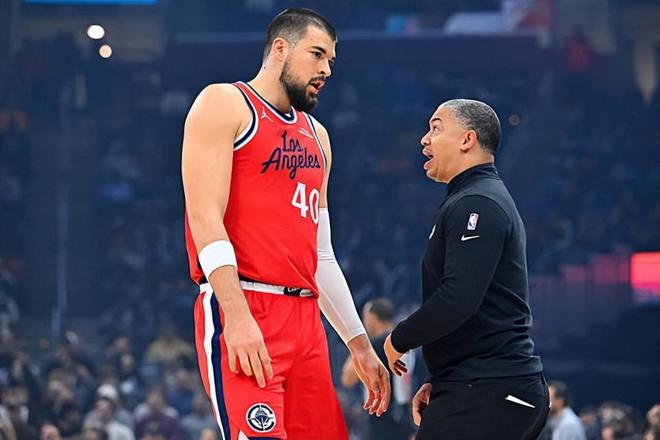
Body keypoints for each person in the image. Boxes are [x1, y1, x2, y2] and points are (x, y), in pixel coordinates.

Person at [181, 8, 389, 439]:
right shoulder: (224, 103)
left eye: (331, 60)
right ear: (281, 48)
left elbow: (321, 254)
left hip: (306, 320)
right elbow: (205, 218)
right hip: (247, 302)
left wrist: (358, 342)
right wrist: (237, 316)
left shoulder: (318, 136)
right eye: (317, 54)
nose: (326, 69)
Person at [383, 99, 548, 439]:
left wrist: (398, 339)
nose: (424, 139)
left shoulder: (478, 202)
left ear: (467, 139)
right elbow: (479, 307)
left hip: (491, 388)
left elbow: (458, 297)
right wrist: (441, 377)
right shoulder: (473, 197)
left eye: (436, 128)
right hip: (476, 385)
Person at [341, 299, 415, 440]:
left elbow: (347, 379)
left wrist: (360, 343)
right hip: (405, 413)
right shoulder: (404, 341)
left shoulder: (376, 345)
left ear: (372, 318)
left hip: (382, 415)